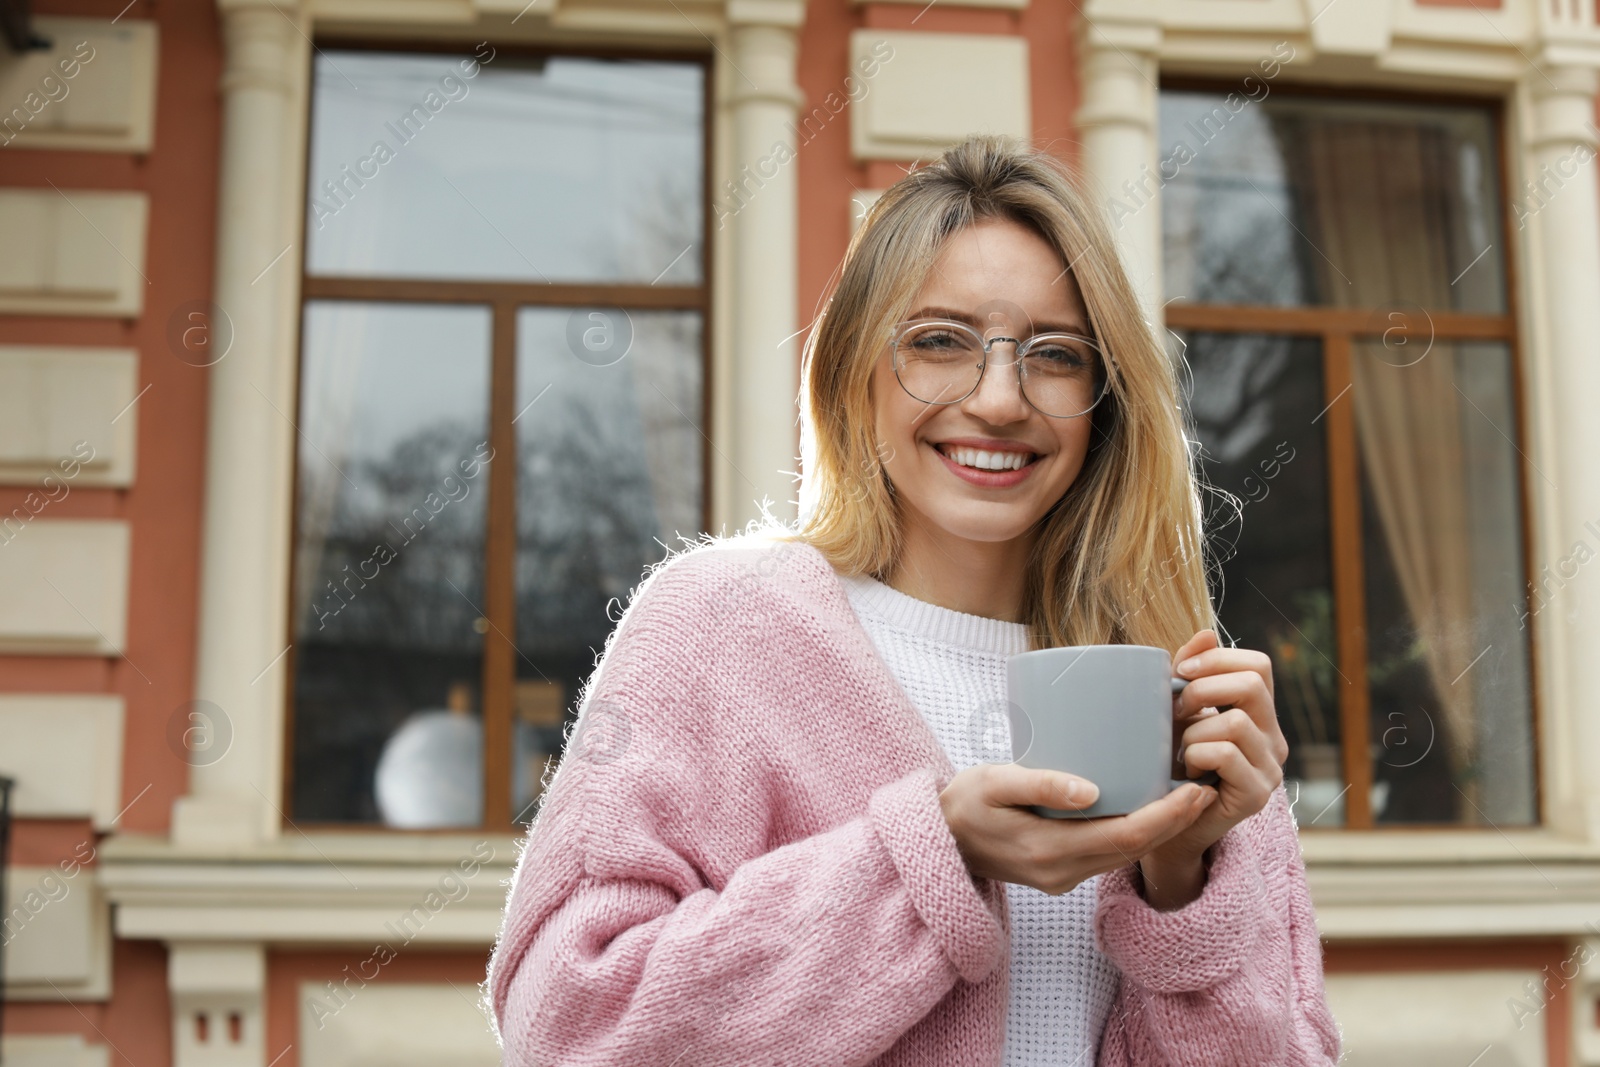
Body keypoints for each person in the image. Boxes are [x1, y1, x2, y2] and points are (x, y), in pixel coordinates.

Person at [485, 135, 1343, 1066]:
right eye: (940, 341)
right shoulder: (716, 625)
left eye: (1056, 355)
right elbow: (573, 1022)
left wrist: (1186, 879)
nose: (1002, 399)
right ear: (855, 364)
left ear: (1106, 399)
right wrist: (931, 860)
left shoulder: (1171, 683)